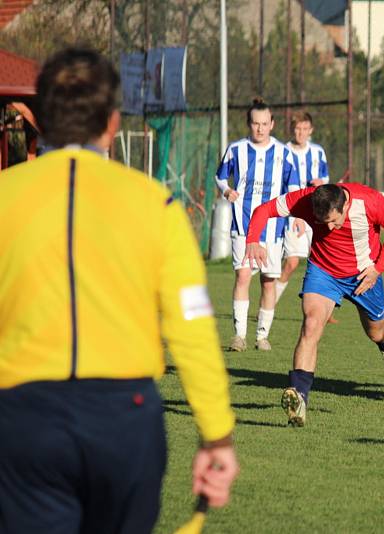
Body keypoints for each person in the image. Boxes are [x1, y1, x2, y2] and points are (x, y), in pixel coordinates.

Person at [0, 48, 238, 532]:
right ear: (113, 122)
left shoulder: (6, 197)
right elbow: (191, 325)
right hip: (123, 419)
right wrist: (216, 434)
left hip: (23, 419)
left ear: (41, 119)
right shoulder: (156, 204)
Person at [244, 183, 384, 427]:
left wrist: (378, 269)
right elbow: (263, 210)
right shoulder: (306, 200)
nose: (329, 228)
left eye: (333, 221)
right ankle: (299, 399)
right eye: (323, 222)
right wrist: (252, 240)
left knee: (375, 331)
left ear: (346, 206)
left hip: (364, 274)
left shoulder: (370, 201)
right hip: (324, 271)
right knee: (311, 324)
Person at [215, 99, 300, 352]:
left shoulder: (284, 153)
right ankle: (239, 336)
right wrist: (227, 190)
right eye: (255, 124)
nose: (260, 129)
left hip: (273, 226)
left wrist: (296, 217)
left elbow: (293, 187)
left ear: (272, 124)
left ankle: (262, 335)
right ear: (249, 124)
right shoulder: (236, 149)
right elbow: (220, 177)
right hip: (243, 223)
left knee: (268, 281)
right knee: (242, 275)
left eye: (265, 124)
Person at [275, 111, 329, 304]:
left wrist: (321, 181)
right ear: (292, 129)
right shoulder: (282, 150)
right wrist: (295, 213)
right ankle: (269, 302)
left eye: (305, 129)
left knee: (321, 261)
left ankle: (324, 305)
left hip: (317, 213)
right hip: (293, 213)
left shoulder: (318, 151)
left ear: (310, 130)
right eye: (297, 128)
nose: (301, 133)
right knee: (292, 262)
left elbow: (326, 177)